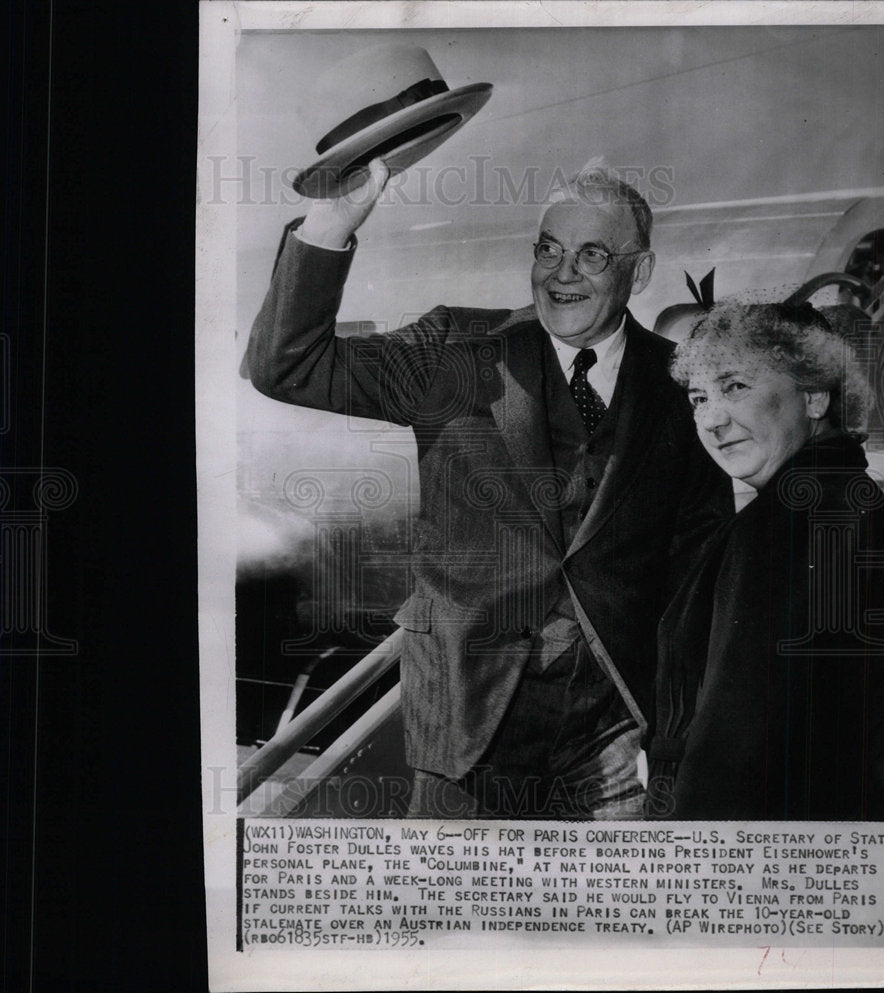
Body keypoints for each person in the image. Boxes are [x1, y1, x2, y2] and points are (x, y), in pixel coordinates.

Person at [244, 158, 732, 818]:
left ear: (638, 271)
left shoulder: (680, 387)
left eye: (592, 255)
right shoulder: (457, 347)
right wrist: (333, 220)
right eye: (549, 250)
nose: (563, 273)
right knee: (456, 908)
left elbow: (697, 574)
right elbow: (288, 366)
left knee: (606, 913)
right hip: (466, 712)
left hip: (615, 729)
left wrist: (674, 735)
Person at [646, 302, 884, 820]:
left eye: (735, 387)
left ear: (814, 397)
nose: (712, 420)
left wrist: (688, 860)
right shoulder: (850, 495)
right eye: (699, 398)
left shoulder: (788, 516)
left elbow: (735, 735)